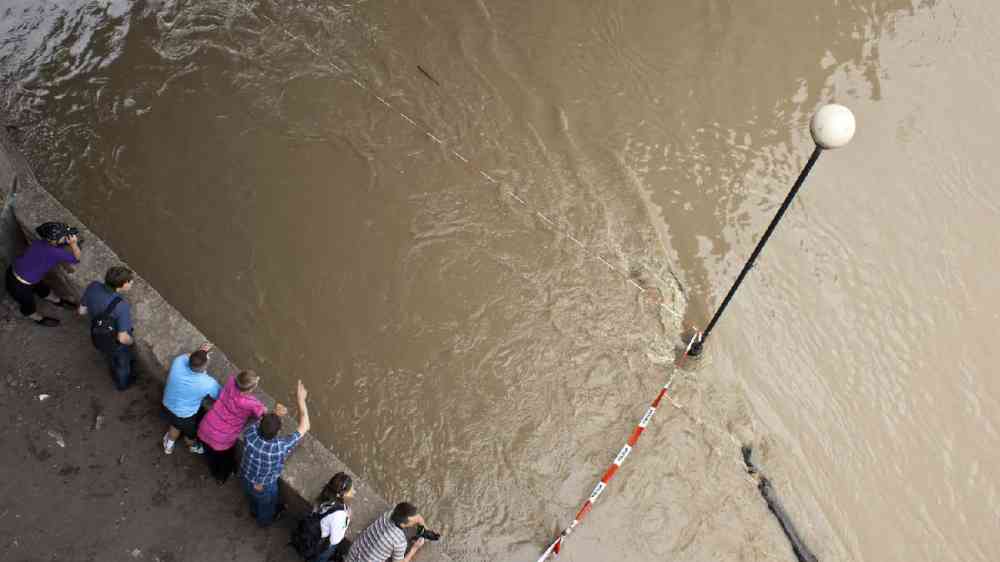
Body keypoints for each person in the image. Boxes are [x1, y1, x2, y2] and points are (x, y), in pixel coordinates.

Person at [239, 379, 310, 527]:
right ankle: (264, 521)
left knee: (252, 497)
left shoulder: (250, 433)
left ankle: (253, 510)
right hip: (264, 485)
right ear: (278, 432)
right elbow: (305, 426)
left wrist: (275, 414)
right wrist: (301, 400)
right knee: (267, 505)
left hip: (246, 475)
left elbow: (261, 422)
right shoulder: (279, 447)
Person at [197, 370, 285, 483]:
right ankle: (221, 477)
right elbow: (264, 415)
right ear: (250, 389)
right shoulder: (252, 403)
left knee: (210, 455)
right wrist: (277, 412)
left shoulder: (230, 381)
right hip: (222, 438)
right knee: (225, 459)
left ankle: (214, 471)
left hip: (207, 425)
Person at [5, 223, 81, 326]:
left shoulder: (40, 242)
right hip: (18, 285)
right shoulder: (55, 252)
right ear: (54, 241)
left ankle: (57, 301)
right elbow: (76, 259)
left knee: (43, 289)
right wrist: (73, 244)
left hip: (19, 272)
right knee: (28, 304)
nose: (66, 237)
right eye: (64, 236)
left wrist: (64, 240)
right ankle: (36, 317)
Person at [78, 266, 136, 391]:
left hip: (99, 335)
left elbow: (81, 311)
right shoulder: (121, 306)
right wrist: (131, 342)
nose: (132, 283)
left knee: (109, 355)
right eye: (130, 281)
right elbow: (122, 338)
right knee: (123, 364)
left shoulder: (93, 286)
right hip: (116, 342)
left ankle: (112, 365)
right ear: (123, 285)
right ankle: (122, 384)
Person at [161, 343, 221, 455]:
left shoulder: (178, 361)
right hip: (185, 415)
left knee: (175, 425)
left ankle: (168, 446)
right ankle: (193, 446)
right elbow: (219, 395)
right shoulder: (208, 383)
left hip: (167, 405)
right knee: (190, 434)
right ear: (205, 366)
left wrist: (200, 351)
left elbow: (189, 356)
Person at [345, 502, 427, 562]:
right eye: (413, 521)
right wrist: (414, 548)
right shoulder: (400, 541)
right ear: (403, 523)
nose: (416, 521)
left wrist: (419, 525)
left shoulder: (388, 514)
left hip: (351, 556)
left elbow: (417, 517)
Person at [311, 472, 355, 562]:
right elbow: (335, 539)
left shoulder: (325, 497)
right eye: (351, 490)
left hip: (314, 534)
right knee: (321, 558)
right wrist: (347, 519)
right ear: (341, 495)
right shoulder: (339, 515)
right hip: (321, 543)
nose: (354, 491)